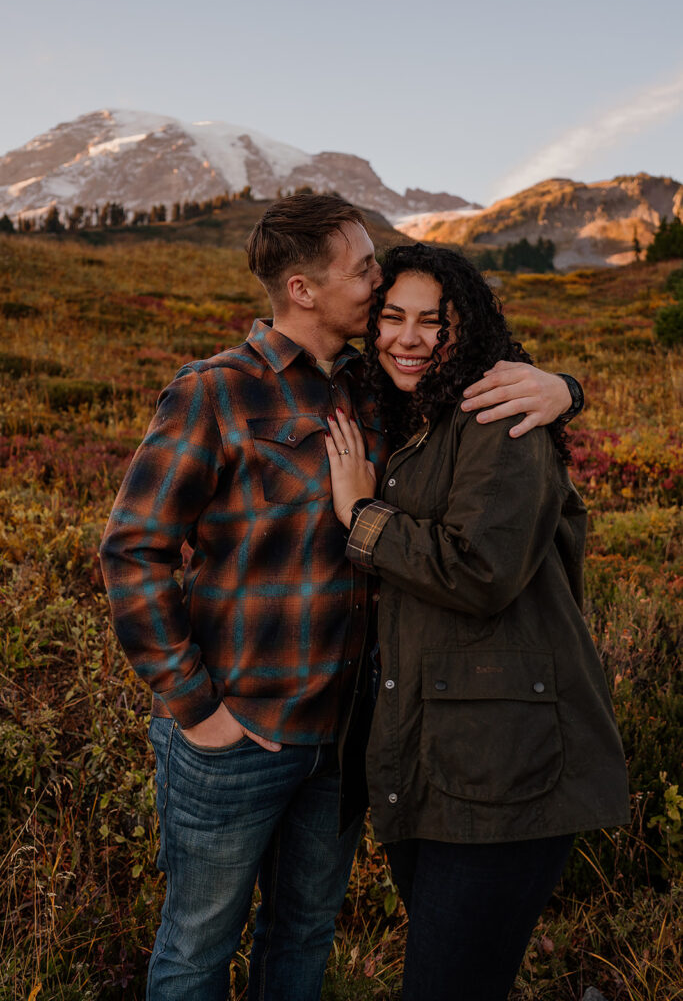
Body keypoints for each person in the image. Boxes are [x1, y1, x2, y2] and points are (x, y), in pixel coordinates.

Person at [99, 195, 584, 1001]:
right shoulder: (215, 392)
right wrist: (195, 708)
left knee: (304, 929)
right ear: (302, 289)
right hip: (236, 734)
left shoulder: (376, 388)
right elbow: (133, 549)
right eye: (363, 272)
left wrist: (563, 387)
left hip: (346, 740)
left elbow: (470, 387)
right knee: (197, 944)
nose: (377, 283)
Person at [324, 242, 630, 1001]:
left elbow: (480, 569)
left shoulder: (497, 413)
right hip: (437, 757)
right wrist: (569, 388)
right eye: (392, 316)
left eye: (434, 321)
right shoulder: (410, 408)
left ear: (469, 329)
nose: (408, 338)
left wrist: (361, 515)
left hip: (504, 764)